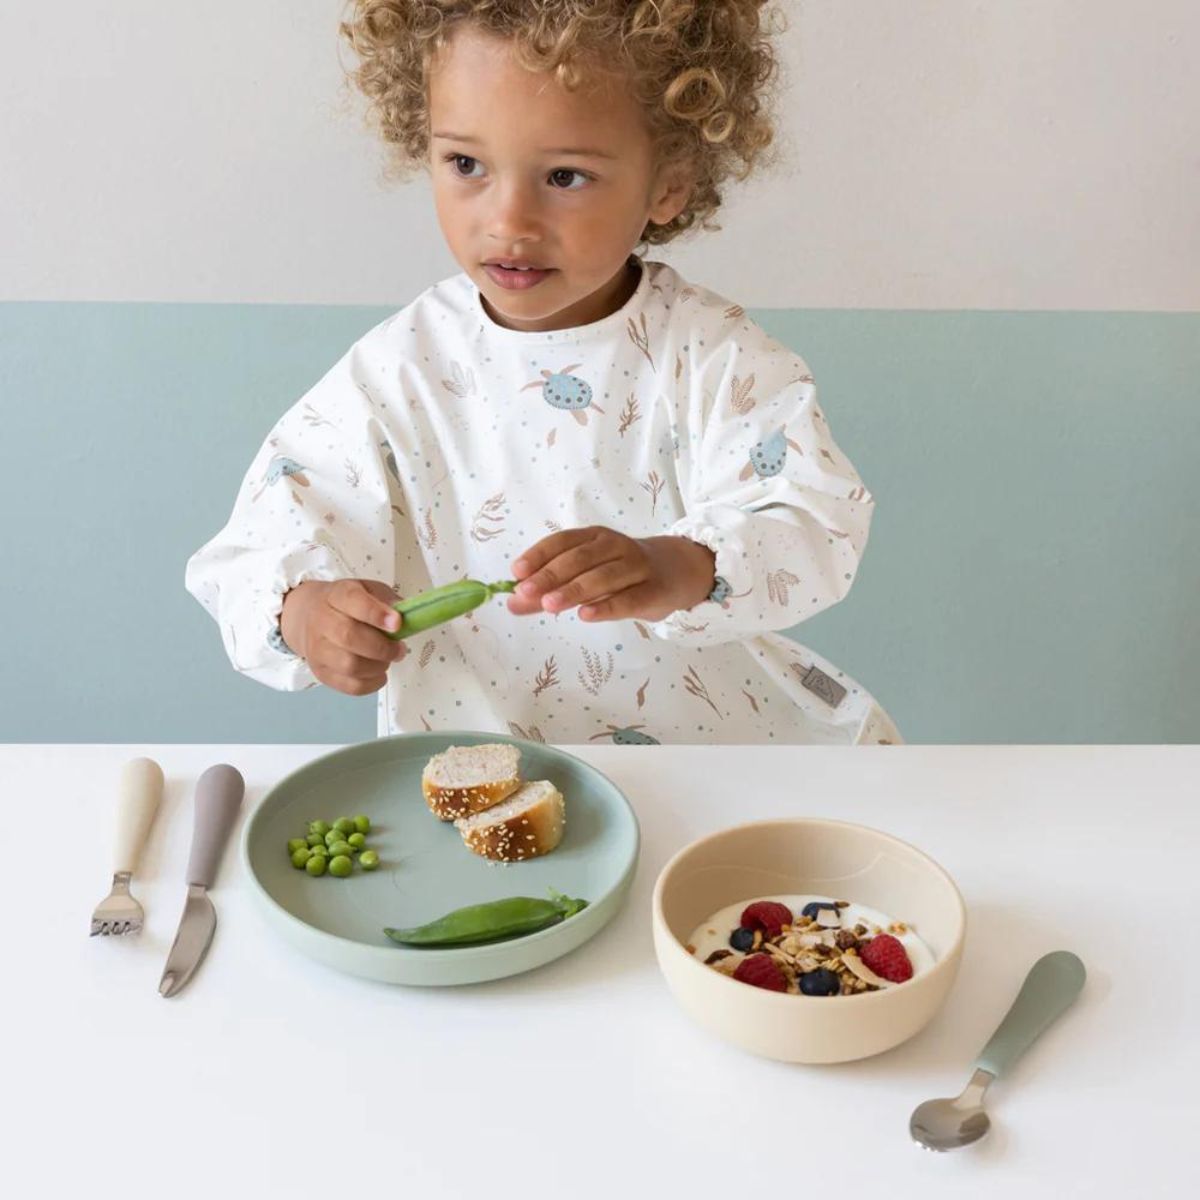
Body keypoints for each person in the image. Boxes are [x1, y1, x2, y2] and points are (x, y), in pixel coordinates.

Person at [185, 0, 901, 746]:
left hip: (710, 757)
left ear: (669, 183)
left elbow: (818, 521)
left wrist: (677, 566)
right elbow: (260, 539)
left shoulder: (712, 358)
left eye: (565, 175)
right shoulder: (400, 370)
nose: (508, 220)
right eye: (466, 165)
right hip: (483, 771)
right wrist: (303, 612)